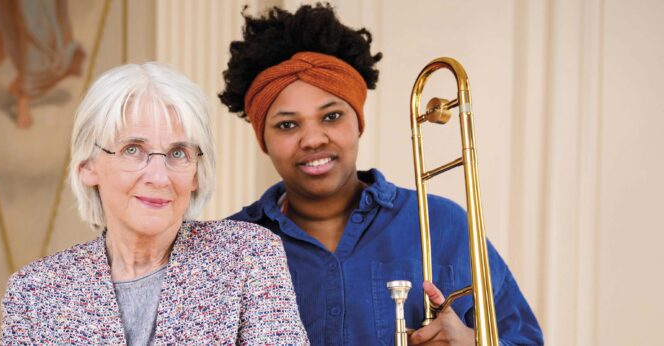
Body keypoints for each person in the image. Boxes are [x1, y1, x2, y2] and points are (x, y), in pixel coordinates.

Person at [220, 4, 543, 345]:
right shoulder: (227, 247)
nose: (313, 139)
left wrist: (473, 343)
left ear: (359, 122)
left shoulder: (443, 224)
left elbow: (525, 339)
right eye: (287, 125)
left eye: (331, 117)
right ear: (263, 141)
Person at [0, 62, 309, 344]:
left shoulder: (248, 256)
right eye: (133, 150)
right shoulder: (35, 294)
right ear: (88, 166)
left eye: (178, 153)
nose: (159, 177)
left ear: (196, 175)